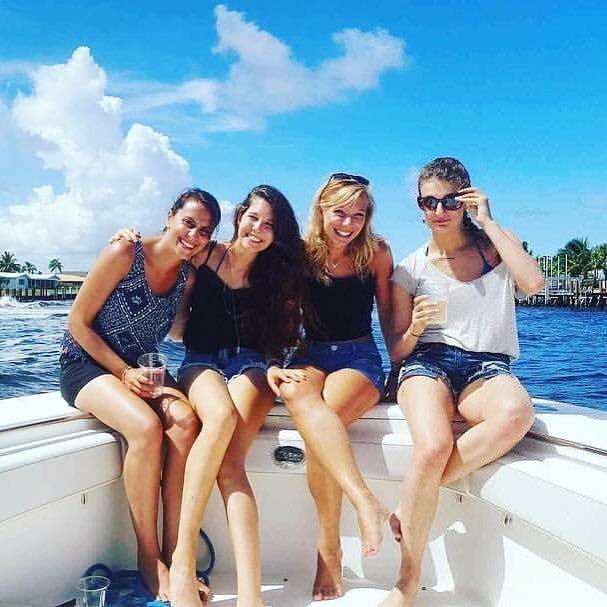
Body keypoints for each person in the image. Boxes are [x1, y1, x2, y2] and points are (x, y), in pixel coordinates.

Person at [117, 185, 307, 607]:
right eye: (253, 217)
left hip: (252, 364)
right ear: (239, 216)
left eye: (270, 225)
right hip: (200, 360)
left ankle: (251, 596)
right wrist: (129, 238)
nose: (258, 229)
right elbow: (162, 253)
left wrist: (276, 364)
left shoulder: (277, 274)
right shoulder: (203, 254)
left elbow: (285, 333)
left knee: (231, 466)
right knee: (219, 417)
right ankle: (182, 562)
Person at [381, 157, 544, 606]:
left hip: (486, 366)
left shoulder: (496, 247)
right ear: (419, 205)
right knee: (433, 445)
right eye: (428, 202)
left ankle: (411, 503)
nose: (439, 210)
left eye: (450, 201)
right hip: (427, 363)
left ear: (466, 200)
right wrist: (416, 326)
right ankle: (407, 579)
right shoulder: (411, 269)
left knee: (516, 414)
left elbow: (534, 284)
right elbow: (397, 350)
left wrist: (488, 221)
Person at [59, 188, 221, 600]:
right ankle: (149, 559)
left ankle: (177, 556)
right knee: (147, 428)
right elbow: (77, 322)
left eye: (204, 231)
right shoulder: (125, 252)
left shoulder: (188, 277)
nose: (193, 235)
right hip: (86, 363)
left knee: (186, 422)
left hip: (138, 370)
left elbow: (181, 332)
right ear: (170, 216)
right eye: (188, 223)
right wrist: (124, 372)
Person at [271, 172, 393, 601]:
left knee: (324, 424)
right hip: (310, 354)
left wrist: (400, 368)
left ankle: (329, 549)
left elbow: (389, 317)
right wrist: (272, 363)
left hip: (359, 357)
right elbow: (280, 316)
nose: (348, 224)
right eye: (340, 212)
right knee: (296, 394)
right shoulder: (298, 255)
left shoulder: (376, 253)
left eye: (358, 215)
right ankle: (365, 501)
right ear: (321, 209)